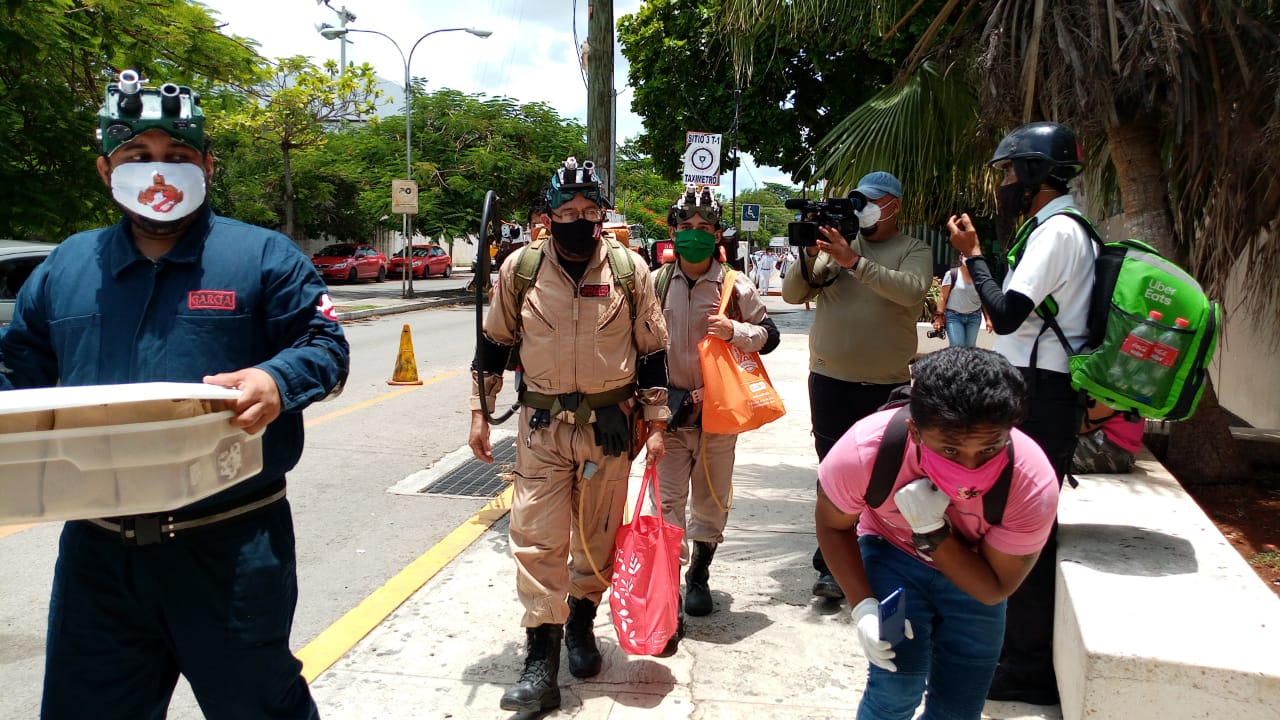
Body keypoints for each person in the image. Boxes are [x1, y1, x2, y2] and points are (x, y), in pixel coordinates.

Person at [0, 72, 349, 719]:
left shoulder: (263, 257)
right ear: (107, 168)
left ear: (208, 166)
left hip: (232, 548)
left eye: (178, 158)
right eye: (138, 157)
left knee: (260, 710)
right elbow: (16, 372)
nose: (159, 172)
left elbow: (325, 348)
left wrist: (278, 380)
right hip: (99, 557)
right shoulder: (66, 269)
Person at [467, 157, 671, 713]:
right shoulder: (521, 269)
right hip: (542, 429)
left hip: (609, 428)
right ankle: (541, 659)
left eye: (589, 211)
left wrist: (655, 425)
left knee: (595, 539)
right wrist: (479, 412)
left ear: (602, 214)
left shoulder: (630, 270)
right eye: (567, 211)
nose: (579, 220)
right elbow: (493, 346)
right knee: (536, 540)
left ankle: (582, 622)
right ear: (547, 216)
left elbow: (653, 353)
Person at [816, 346, 1061, 720]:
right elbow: (833, 526)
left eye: (989, 449)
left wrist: (932, 531)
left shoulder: (1031, 484)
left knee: (960, 707)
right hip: (892, 559)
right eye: (950, 449)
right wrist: (864, 605)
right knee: (896, 683)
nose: (969, 468)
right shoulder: (864, 452)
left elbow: (991, 588)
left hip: (975, 571)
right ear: (915, 431)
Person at [947, 121, 1095, 704]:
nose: (1004, 183)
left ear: (1035, 173)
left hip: (1041, 390)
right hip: (1037, 386)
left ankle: (1029, 668)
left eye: (1010, 172)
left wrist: (973, 255)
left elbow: (1006, 313)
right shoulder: (1054, 228)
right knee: (1013, 521)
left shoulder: (1058, 230)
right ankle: (1018, 653)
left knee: (1023, 529)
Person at [781, 170, 933, 601]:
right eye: (857, 201)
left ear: (894, 205)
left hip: (885, 385)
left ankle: (881, 549)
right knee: (831, 470)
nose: (861, 209)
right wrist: (809, 254)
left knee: (886, 471)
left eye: (870, 200)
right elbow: (793, 294)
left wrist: (854, 262)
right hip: (831, 378)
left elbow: (910, 291)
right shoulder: (838, 249)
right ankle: (830, 561)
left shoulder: (913, 249)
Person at [654, 184, 775, 621]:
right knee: (667, 504)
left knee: (710, 501)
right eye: (686, 226)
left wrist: (735, 331)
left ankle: (699, 576)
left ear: (719, 233)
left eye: (705, 227)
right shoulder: (655, 282)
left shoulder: (734, 284)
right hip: (667, 419)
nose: (695, 234)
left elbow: (771, 335)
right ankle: (668, 577)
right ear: (673, 231)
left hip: (717, 418)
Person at [933, 258, 991, 347]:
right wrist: (938, 317)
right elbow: (943, 297)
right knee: (957, 347)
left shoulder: (980, 277)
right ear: (960, 257)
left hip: (974, 317)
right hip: (954, 316)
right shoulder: (952, 274)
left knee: (970, 347)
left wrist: (988, 319)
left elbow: (983, 299)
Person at [1071, 404, 1144, 474]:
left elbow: (1082, 426)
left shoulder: (1109, 396)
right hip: (1122, 454)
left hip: (1110, 452)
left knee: (1062, 453)